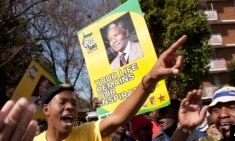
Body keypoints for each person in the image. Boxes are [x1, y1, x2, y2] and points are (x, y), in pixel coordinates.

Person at [0, 35, 187, 141]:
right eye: (63, 102)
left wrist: (149, 80)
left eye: (74, 103)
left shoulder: (86, 133)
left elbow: (118, 117)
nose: (71, 107)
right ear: (46, 109)